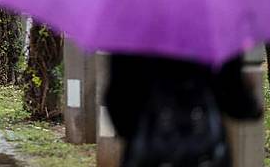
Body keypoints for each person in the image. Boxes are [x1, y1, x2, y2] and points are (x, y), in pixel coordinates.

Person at [105, 54, 261, 167]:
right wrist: (252, 103)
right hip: (206, 150)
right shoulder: (215, 24)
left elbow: (118, 102)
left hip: (149, 150)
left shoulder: (133, 28)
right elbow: (235, 100)